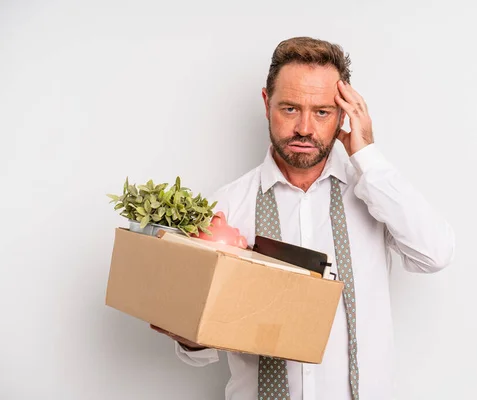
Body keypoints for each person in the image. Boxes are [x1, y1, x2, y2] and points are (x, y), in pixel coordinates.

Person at [151, 36, 455, 400]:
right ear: (267, 104)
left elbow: (434, 254)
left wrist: (368, 155)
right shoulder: (225, 208)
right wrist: (189, 335)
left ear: (344, 114)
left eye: (323, 112)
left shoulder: (374, 195)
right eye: (290, 109)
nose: (305, 129)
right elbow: (197, 348)